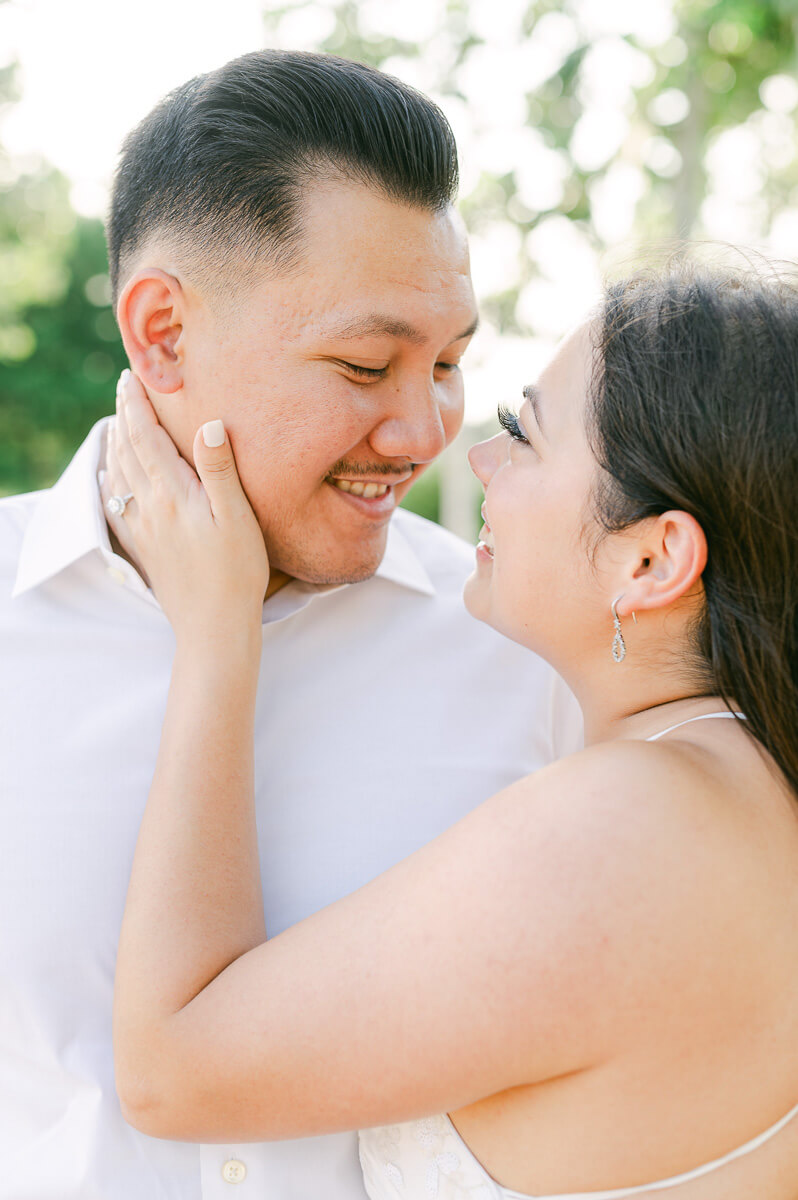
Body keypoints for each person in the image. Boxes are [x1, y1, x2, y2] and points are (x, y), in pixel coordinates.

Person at [0, 50, 580, 1200]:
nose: (423, 430)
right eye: (366, 365)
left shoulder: (529, 659)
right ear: (162, 333)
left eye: (453, 363)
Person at [109, 258, 798, 1200]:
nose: (474, 455)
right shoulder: (753, 793)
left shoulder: (625, 830)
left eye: (524, 434)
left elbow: (170, 1072)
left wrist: (219, 633)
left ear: (651, 558)